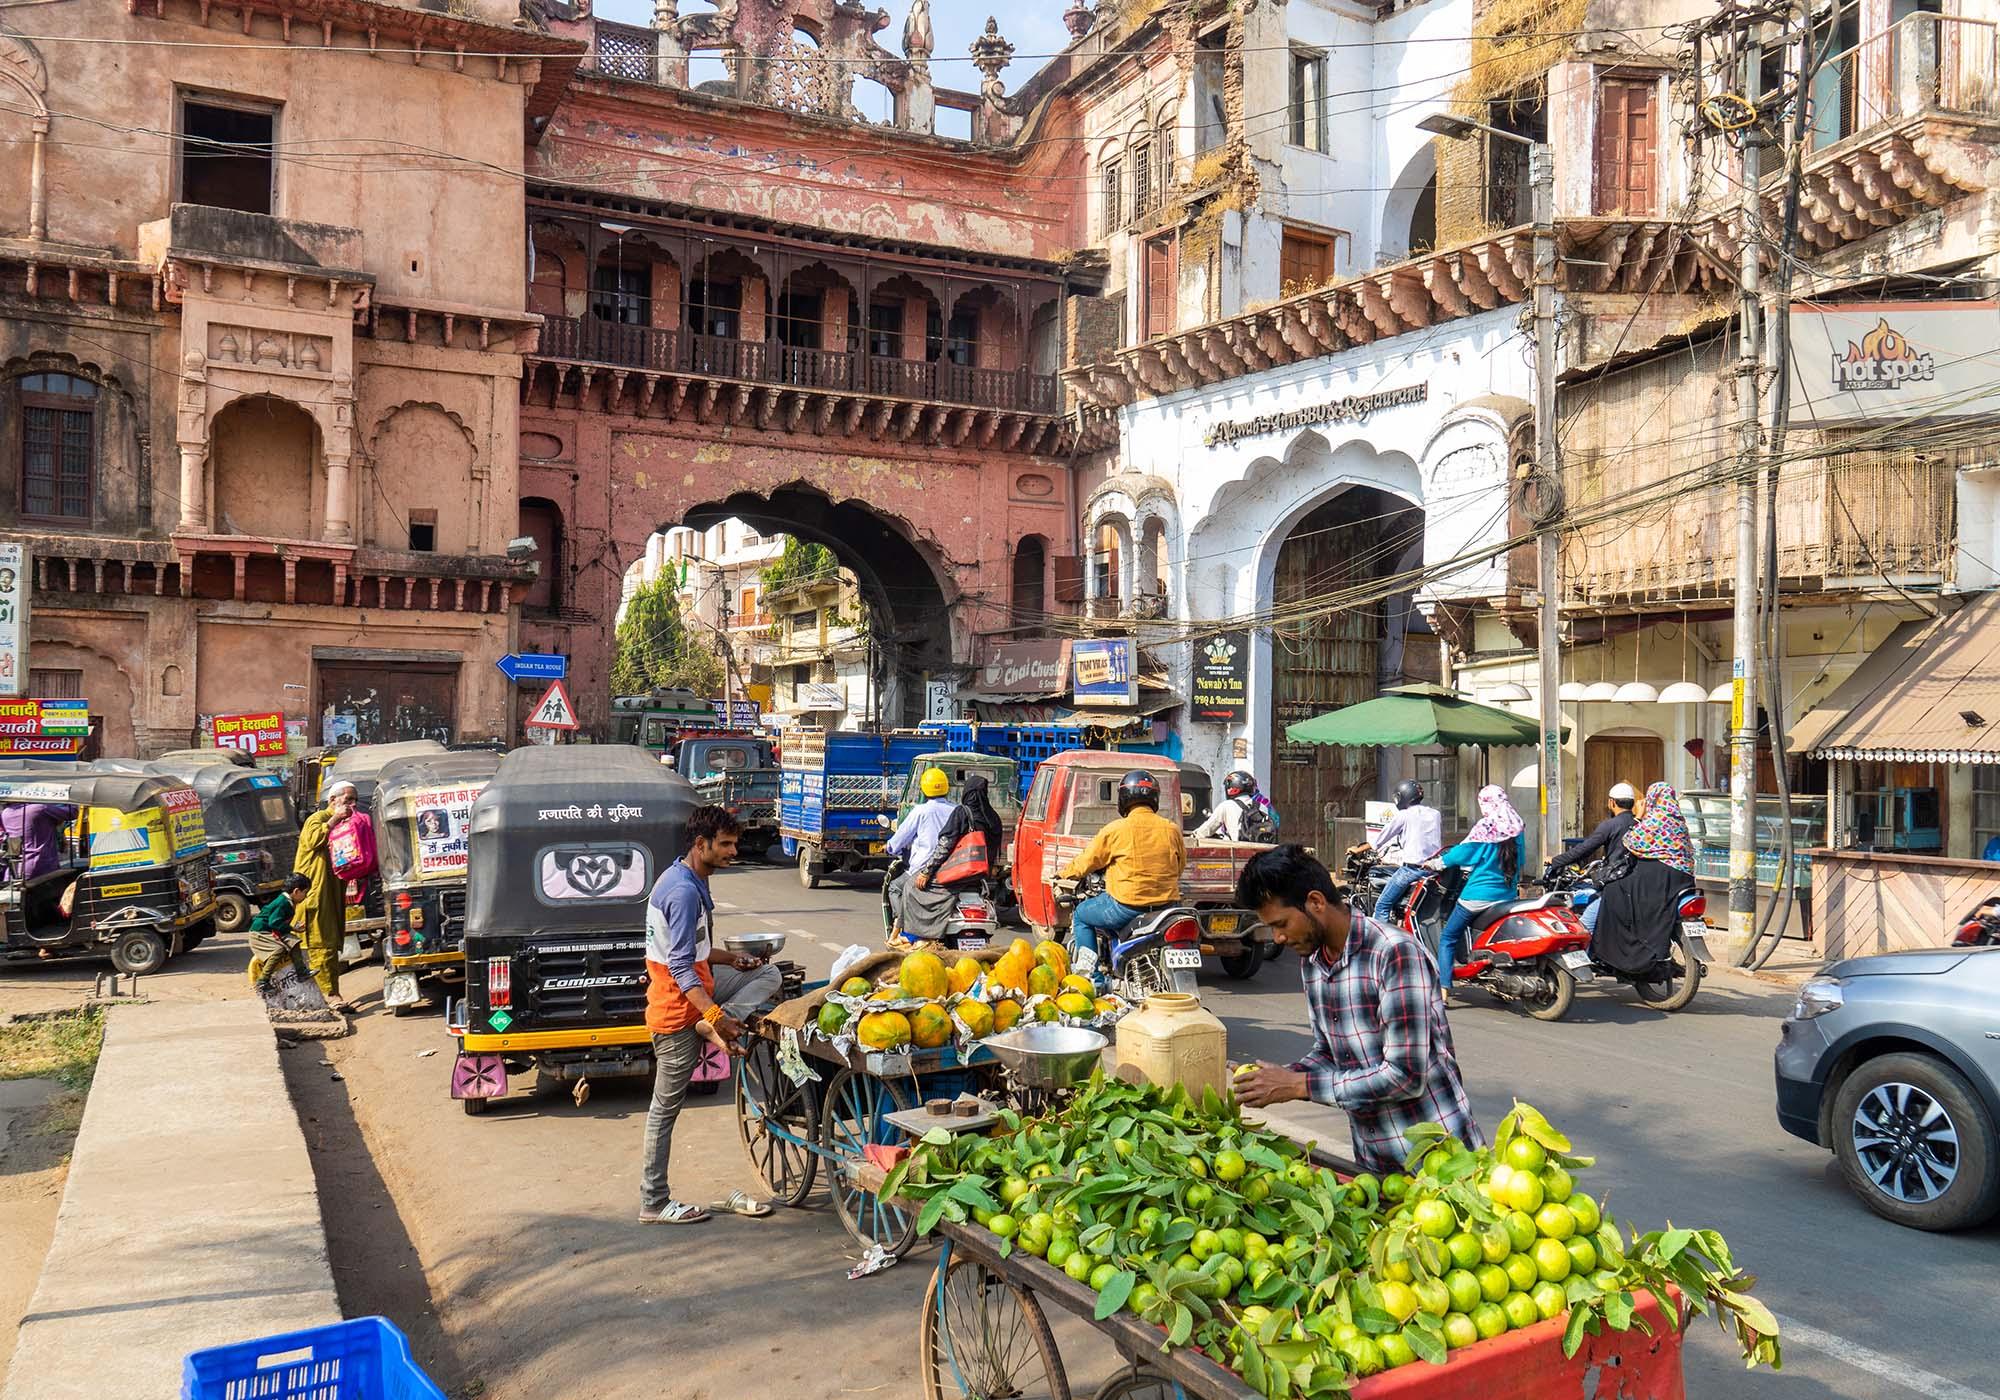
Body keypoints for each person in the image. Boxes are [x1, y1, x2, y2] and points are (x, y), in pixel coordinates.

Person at [1233, 845, 1482, 1173]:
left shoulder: (1394, 953)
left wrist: (1297, 1086)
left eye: (1282, 924)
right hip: (1375, 1164)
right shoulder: (1313, 961)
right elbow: (1331, 1053)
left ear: (1316, 903)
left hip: (1441, 1164)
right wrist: (1277, 1078)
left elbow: (1406, 1076)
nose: (1277, 938)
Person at [638, 805, 782, 1225]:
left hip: (701, 990)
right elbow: (680, 965)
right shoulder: (682, 892)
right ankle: (653, 1200)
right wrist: (716, 1016)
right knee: (663, 1111)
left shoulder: (684, 877)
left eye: (734, 843)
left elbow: (694, 951)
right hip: (678, 1011)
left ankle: (716, 1020)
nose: (733, 851)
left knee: (768, 973)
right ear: (700, 845)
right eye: (725, 844)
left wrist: (734, 959)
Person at [1059, 770, 1186, 980]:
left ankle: (1093, 979)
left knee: (1081, 914)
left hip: (1126, 907)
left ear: (1124, 798)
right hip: (1167, 907)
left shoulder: (1115, 830)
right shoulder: (1171, 829)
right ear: (1154, 798)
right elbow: (1179, 867)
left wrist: (1063, 873)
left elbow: (1086, 863)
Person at [1590, 782, 1698, 976]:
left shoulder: (1657, 818)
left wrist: (1639, 817)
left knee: (1614, 890)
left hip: (1664, 875)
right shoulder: (1678, 819)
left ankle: (1618, 952)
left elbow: (1630, 841)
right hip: (1684, 878)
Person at [1429, 785, 1525, 1000]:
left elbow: (1461, 854)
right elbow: (1522, 861)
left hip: (1477, 897)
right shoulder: (1517, 827)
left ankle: (1443, 989)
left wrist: (1438, 862)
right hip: (1507, 896)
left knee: (1448, 937)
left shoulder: (1486, 827)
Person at [898, 773, 1006, 940]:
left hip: (958, 876)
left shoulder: (962, 812)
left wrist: (926, 872)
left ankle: (914, 937)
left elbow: (944, 845)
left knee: (911, 887)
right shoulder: (994, 819)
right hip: (979, 878)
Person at [292, 780, 357, 1011]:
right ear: (332, 801)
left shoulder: (345, 824)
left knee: (331, 942)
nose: (351, 805)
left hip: (332, 891)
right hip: (315, 895)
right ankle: (330, 995)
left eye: (354, 801)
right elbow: (313, 840)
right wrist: (335, 818)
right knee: (321, 945)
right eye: (347, 800)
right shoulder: (317, 820)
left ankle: (331, 992)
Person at [1546, 782, 1638, 934]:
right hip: (1636, 885)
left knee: (1583, 928)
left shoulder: (1610, 825)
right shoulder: (1639, 824)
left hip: (1615, 885)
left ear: (1612, 802)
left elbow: (1584, 849)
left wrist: (1555, 861)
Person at [1349, 780, 1442, 923]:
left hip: (1412, 870)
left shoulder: (1404, 815)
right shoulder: (1435, 814)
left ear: (1404, 796)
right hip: (1433, 869)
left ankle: (1382, 939)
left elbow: (1379, 839)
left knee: (1382, 905)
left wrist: (1358, 849)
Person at [885, 767, 957, 933]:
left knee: (895, 888)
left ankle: (901, 926)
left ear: (924, 789)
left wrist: (889, 847)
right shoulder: (956, 810)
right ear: (946, 788)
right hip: (952, 868)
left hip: (922, 869)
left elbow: (901, 838)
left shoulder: (921, 811)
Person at [246, 873, 313, 987]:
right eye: (305, 892)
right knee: (278, 950)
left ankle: (301, 972)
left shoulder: (288, 901)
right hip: (260, 932)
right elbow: (274, 922)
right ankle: (263, 981)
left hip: (272, 930)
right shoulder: (283, 903)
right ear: (296, 891)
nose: (305, 896)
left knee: (295, 942)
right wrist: (293, 928)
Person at [0, 799, 78, 883]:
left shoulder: (5, 813)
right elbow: (72, 812)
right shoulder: (39, 809)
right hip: (40, 870)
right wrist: (70, 798)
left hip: (13, 871)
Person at [1194, 770, 1277, 843]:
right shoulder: (1263, 805)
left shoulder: (1226, 805)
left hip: (1238, 852)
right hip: (1264, 853)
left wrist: (1194, 836)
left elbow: (1206, 830)